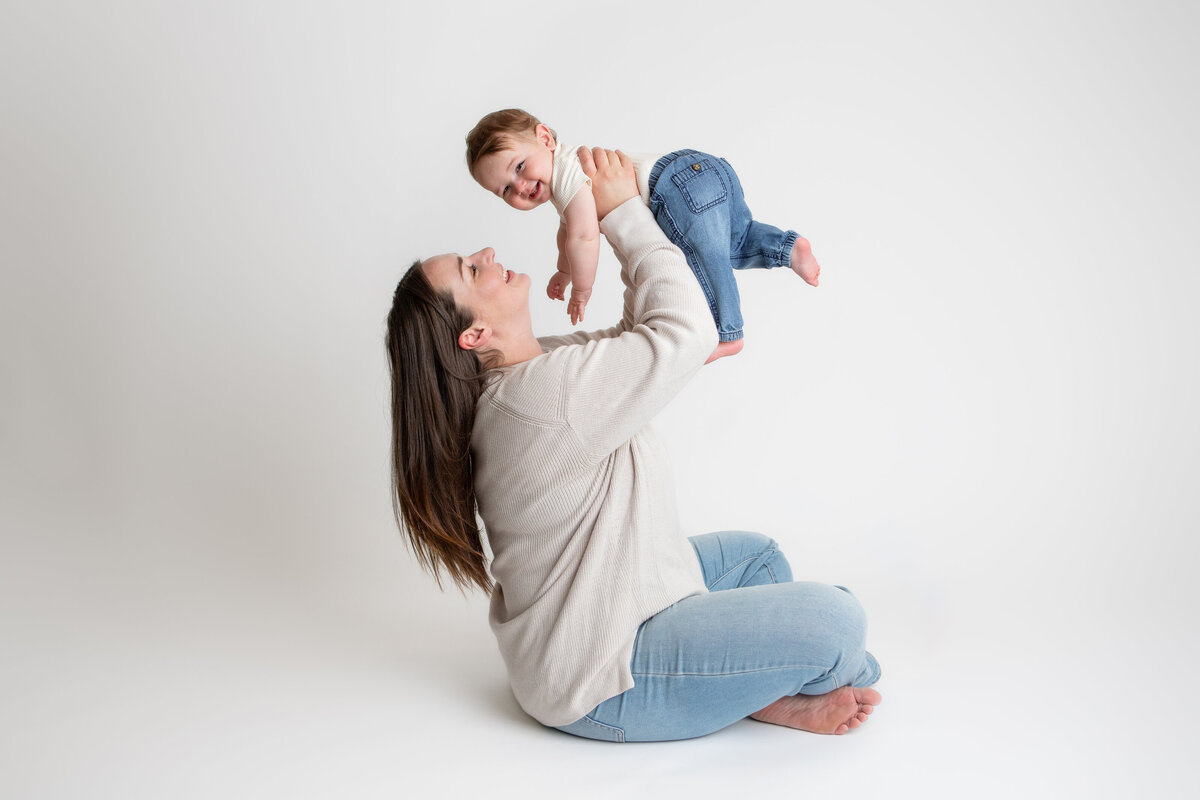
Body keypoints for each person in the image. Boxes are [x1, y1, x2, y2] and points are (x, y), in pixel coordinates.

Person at [386, 147, 880, 742]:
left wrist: (595, 212)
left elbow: (635, 335)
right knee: (837, 623)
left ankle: (759, 692)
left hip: (628, 587)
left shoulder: (537, 368)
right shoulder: (542, 398)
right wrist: (622, 212)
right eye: (471, 270)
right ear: (474, 333)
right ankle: (798, 678)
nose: (487, 255)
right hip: (606, 669)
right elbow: (686, 331)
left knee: (759, 558)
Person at [465, 108, 823, 363]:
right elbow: (568, 232)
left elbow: (583, 236)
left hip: (676, 187)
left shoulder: (567, 174)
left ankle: (728, 334)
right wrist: (565, 271)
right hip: (704, 169)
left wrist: (582, 288)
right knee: (735, 240)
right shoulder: (566, 181)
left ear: (545, 138)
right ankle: (790, 248)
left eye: (520, 168)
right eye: (505, 190)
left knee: (705, 260)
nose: (520, 187)